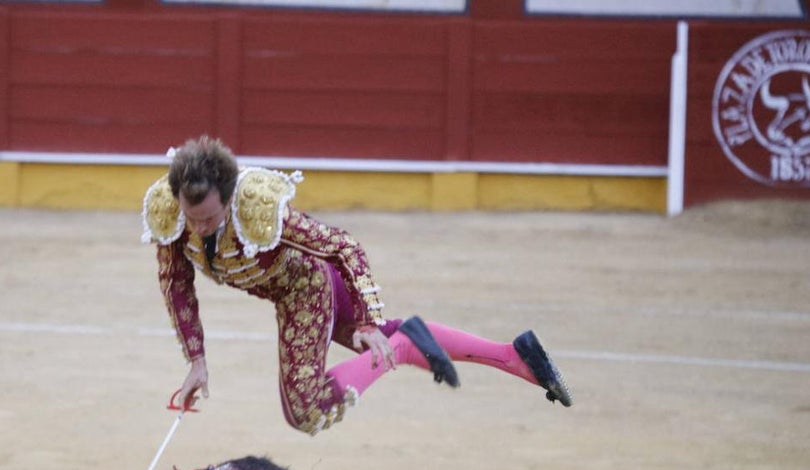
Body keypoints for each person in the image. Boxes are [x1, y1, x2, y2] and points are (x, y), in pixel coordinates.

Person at [142, 135, 573, 435]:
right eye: (192, 217)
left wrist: (364, 320)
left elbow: (343, 246)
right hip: (285, 289)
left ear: (229, 195)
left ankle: (401, 348)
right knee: (382, 340)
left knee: (306, 410)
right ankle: (516, 357)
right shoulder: (171, 214)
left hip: (305, 288)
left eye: (209, 219)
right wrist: (196, 360)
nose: (197, 228)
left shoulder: (257, 208)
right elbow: (176, 284)